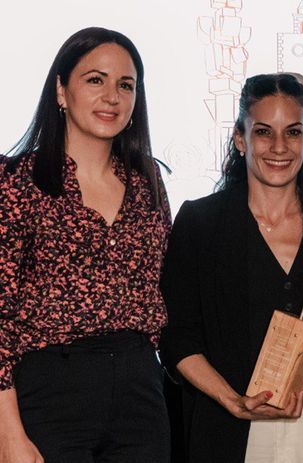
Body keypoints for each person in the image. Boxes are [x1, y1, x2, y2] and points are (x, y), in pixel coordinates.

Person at [159, 73, 303, 463]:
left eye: (293, 132)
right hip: (235, 429)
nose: (279, 147)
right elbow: (176, 337)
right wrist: (232, 401)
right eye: (264, 132)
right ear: (240, 138)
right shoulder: (201, 223)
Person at [0, 27, 171, 462]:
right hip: (50, 391)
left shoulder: (147, 181)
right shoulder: (17, 182)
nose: (112, 96)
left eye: (126, 85)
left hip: (140, 392)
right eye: (96, 79)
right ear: (61, 90)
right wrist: (8, 432)